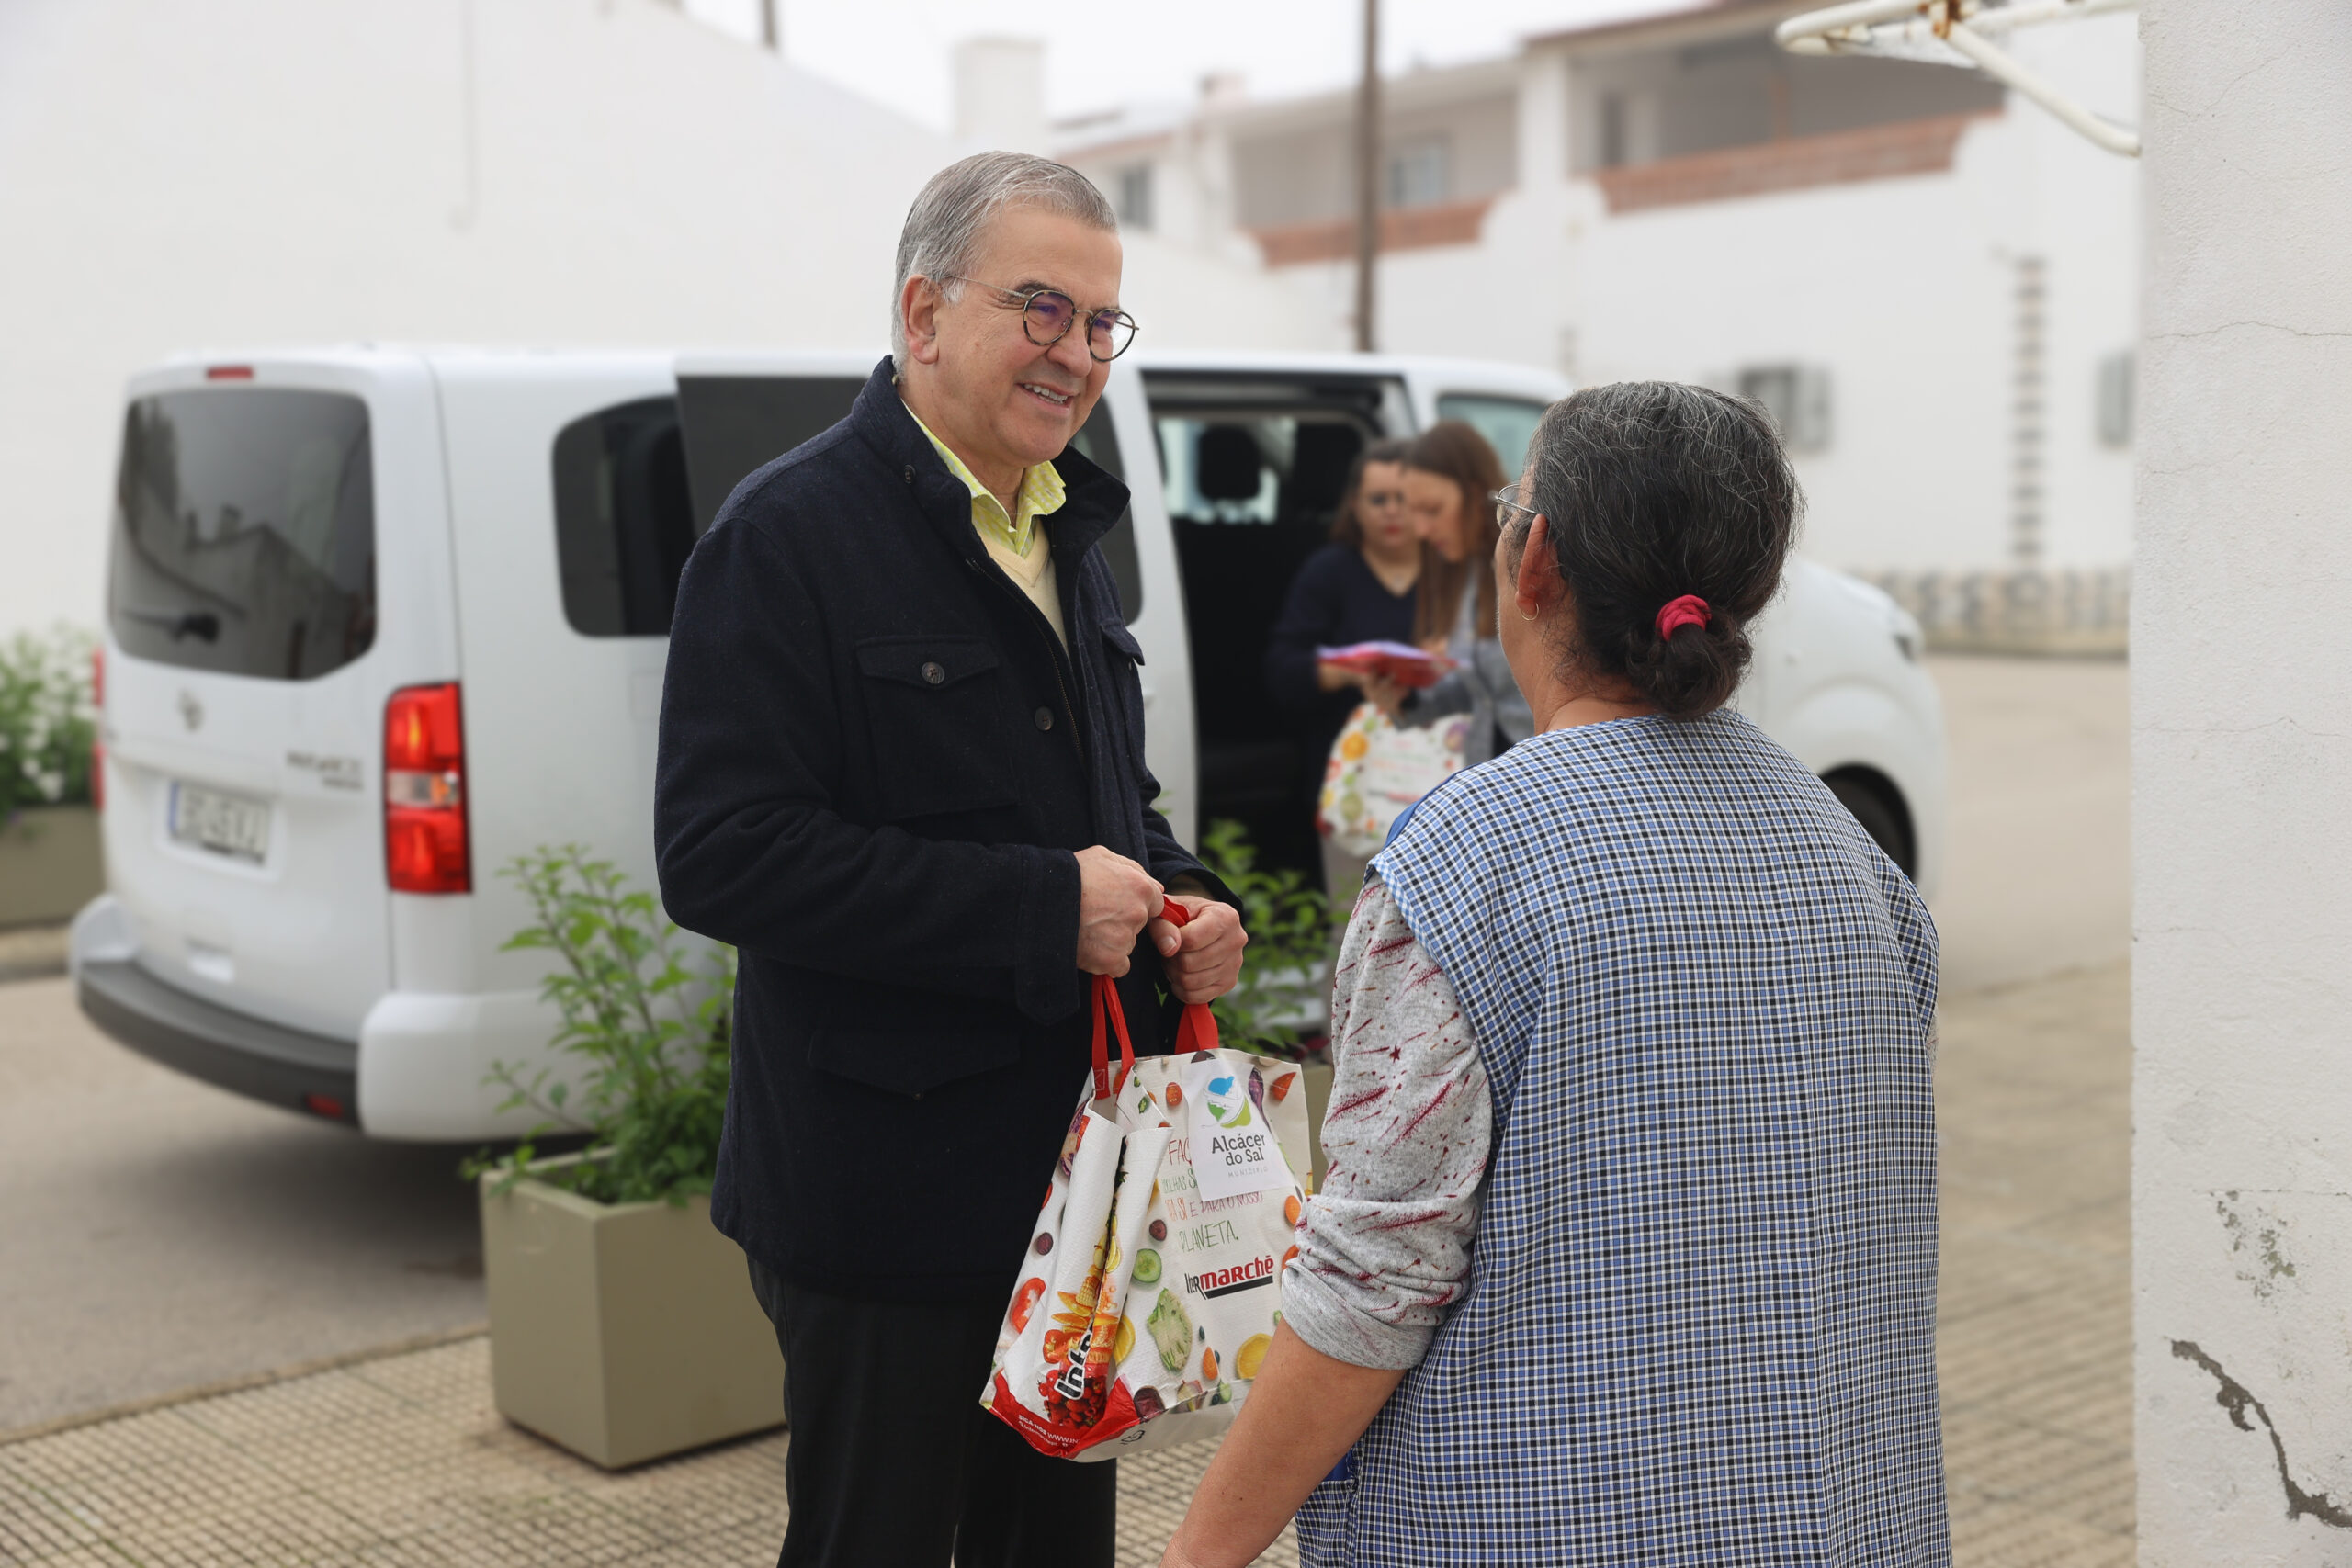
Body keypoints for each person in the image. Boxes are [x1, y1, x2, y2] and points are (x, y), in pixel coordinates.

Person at [1161, 383, 1947, 1568]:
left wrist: (1200, 1552)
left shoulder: (1460, 867)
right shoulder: (1855, 860)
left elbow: (1371, 1284)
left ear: (1532, 566)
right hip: (1834, 1523)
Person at [655, 151, 1248, 1568]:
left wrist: (1184, 896)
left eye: (1102, 322)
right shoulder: (785, 536)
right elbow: (720, 853)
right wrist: (1045, 907)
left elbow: (1108, 800)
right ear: (923, 312)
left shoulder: (1064, 529)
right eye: (1042, 308)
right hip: (884, 1206)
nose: (1078, 352)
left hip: (1076, 1194)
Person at [1260, 436, 1417, 893]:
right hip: (1354, 788)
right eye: (1378, 499)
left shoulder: (1455, 574)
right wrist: (1352, 672)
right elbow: (1282, 671)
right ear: (1354, 505)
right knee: (1354, 935)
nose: (1391, 511)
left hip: (1442, 785)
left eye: (1403, 499)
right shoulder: (1329, 573)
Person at [1389, 421, 1533, 764]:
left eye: (1432, 510)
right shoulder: (1462, 574)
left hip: (1547, 775)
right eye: (1414, 514)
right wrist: (1408, 695)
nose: (1422, 529)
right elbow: (1483, 695)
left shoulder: (1532, 567)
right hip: (1492, 767)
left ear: (1476, 493)